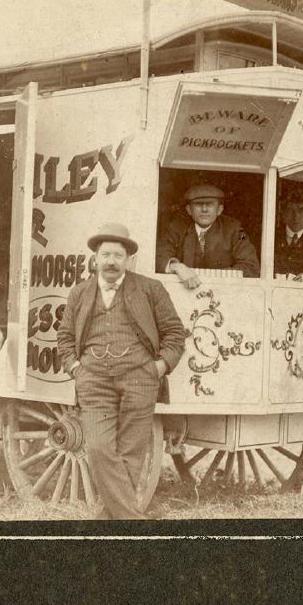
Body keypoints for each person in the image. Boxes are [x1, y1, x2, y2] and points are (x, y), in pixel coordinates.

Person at [58, 222, 186, 519]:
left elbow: (174, 334)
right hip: (93, 380)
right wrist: (75, 368)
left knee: (131, 454)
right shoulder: (79, 293)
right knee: (100, 449)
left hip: (140, 379)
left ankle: (109, 519)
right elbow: (64, 337)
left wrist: (159, 367)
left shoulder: (150, 289)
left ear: (128, 259)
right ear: (95, 258)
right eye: (106, 255)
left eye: (118, 255)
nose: (111, 261)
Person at [156, 183, 259, 289]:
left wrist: (215, 278)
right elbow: (158, 257)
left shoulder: (236, 231)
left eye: (210, 204)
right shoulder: (176, 228)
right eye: (198, 204)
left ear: (219, 209)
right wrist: (177, 267)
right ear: (189, 210)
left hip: (223, 293)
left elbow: (250, 266)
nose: (204, 209)